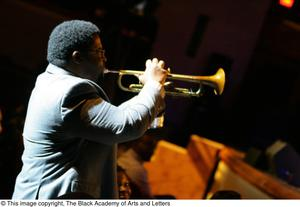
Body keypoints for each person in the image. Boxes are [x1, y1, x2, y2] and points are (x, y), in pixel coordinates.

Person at [12, 20, 168, 199]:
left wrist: (150, 93)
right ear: (77, 57)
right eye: (99, 52)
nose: (105, 58)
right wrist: (153, 85)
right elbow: (125, 126)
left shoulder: (50, 81)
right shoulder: (70, 92)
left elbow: (114, 118)